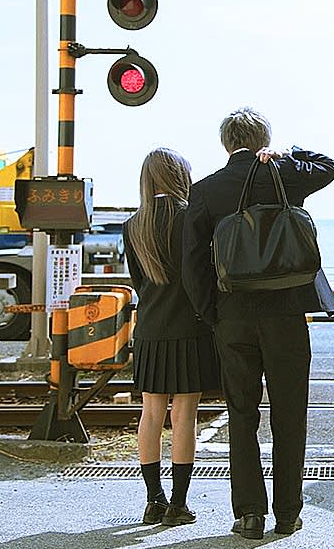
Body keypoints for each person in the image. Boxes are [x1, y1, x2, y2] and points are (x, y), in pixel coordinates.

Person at [181, 107, 334, 540]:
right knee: (290, 413)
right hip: (286, 312)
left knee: (241, 414)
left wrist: (211, 313)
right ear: (263, 140)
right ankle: (287, 513)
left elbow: (192, 262)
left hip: (233, 315)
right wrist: (288, 154)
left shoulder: (206, 190)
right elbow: (329, 166)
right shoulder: (284, 175)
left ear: (226, 144)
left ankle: (250, 514)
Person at [125, 148, 221, 527]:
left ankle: (154, 500)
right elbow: (203, 275)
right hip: (190, 328)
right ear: (180, 176)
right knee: (184, 416)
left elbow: (138, 282)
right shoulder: (190, 217)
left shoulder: (134, 225)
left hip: (150, 329)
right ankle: (178, 504)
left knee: (150, 414)